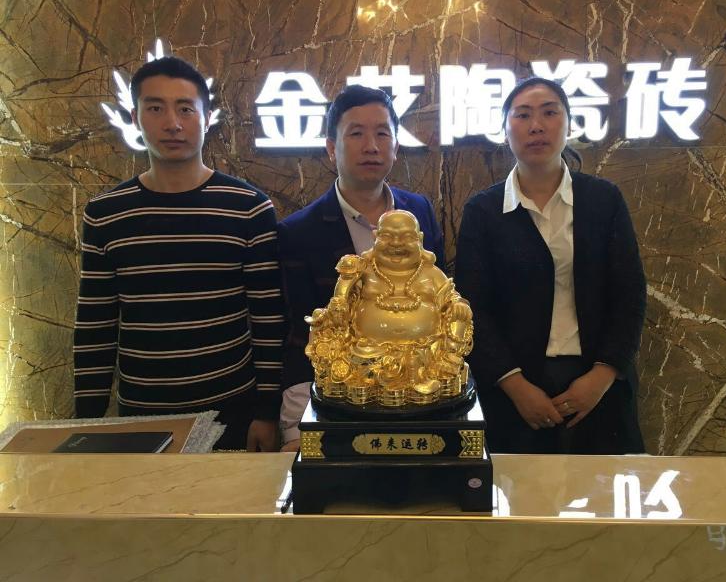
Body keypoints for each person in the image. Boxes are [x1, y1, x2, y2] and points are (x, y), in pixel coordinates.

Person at [73, 56, 283, 451]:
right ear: (135, 118)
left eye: (186, 109)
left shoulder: (248, 207)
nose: (172, 123)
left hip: (233, 411)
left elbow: (268, 319)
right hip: (142, 416)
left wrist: (268, 412)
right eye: (156, 108)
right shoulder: (106, 214)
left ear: (207, 118)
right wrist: (86, 423)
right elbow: (95, 327)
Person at [455, 77, 646, 454]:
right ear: (505, 131)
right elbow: (471, 308)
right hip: (514, 394)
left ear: (568, 124)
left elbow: (630, 293)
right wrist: (515, 386)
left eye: (549, 112)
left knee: (600, 489)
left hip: (598, 386)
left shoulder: (603, 200)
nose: (536, 126)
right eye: (523, 115)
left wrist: (602, 376)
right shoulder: (484, 211)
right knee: (519, 490)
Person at [279, 85, 444, 449]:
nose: (371, 146)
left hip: (419, 398)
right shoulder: (299, 232)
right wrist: (296, 427)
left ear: (396, 146)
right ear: (331, 148)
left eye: (382, 133)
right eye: (356, 133)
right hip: (339, 400)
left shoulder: (420, 213)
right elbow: (300, 333)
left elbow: (440, 303)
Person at [305, 210, 472, 406]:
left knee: (460, 318)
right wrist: (338, 306)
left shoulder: (431, 273)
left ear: (419, 239)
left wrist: (458, 305)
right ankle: (369, 377)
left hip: (427, 348)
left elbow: (451, 297)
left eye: (406, 237)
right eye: (387, 236)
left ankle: (445, 363)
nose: (396, 243)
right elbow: (341, 301)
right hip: (368, 348)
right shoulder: (365, 272)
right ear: (375, 237)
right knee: (345, 345)